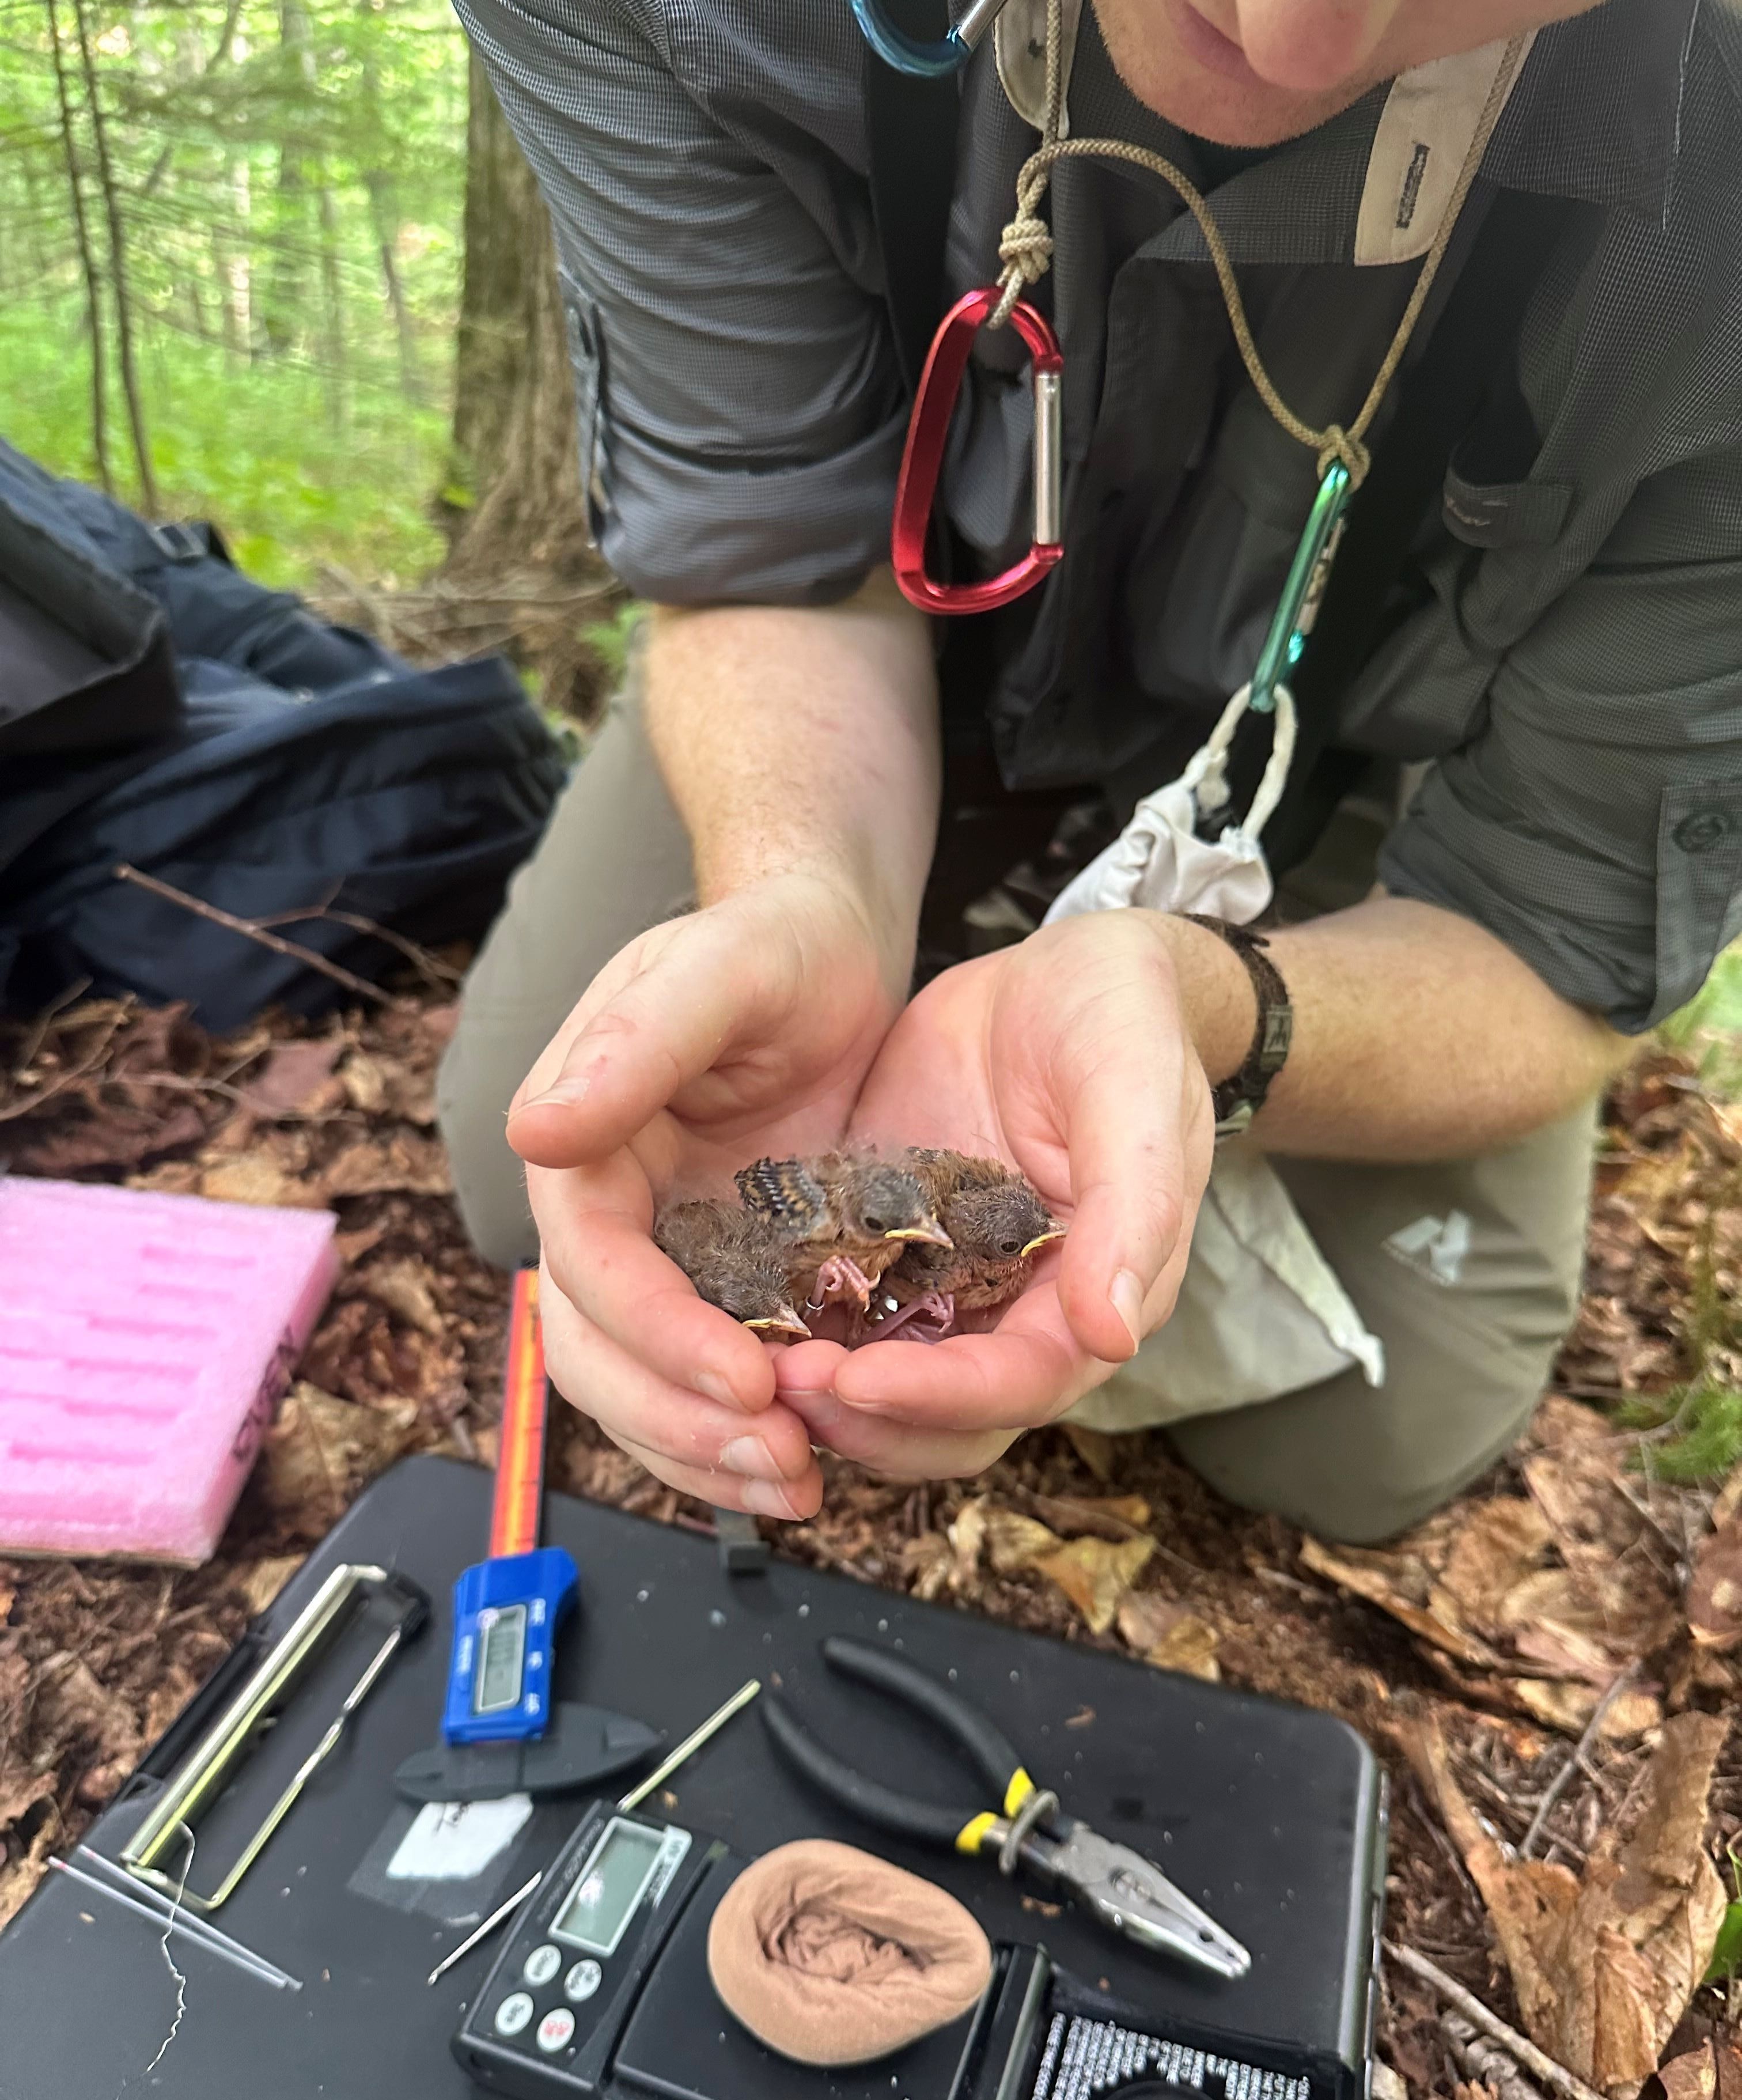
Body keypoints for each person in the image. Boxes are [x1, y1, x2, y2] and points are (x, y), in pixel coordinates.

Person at [436, 0, 1742, 1545]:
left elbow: (1559, 923)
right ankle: (914, 956)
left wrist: (1207, 1016)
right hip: (895, 647)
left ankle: (1101, 1034)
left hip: (1353, 756)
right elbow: (768, 549)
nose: (1291, 30)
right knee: (543, 1167)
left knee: (1378, 1436)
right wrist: (804, 889)